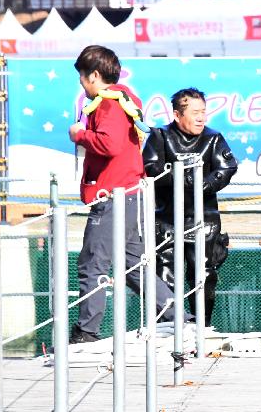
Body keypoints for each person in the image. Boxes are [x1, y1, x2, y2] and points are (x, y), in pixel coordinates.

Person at [68, 45, 184, 344]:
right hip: (129, 194)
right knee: (133, 265)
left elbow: (110, 145)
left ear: (94, 75)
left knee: (92, 264)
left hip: (114, 198)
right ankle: (180, 318)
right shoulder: (122, 100)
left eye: (83, 77)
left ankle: (86, 332)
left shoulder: (107, 105)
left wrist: (79, 134)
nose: (81, 83)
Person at [142, 88, 237, 326]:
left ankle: (201, 327)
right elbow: (150, 168)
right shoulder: (160, 136)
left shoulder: (213, 138)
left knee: (204, 274)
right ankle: (167, 327)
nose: (201, 118)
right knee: (164, 275)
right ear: (177, 115)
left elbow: (227, 167)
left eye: (203, 112)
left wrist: (203, 184)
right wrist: (184, 177)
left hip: (204, 219)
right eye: (195, 113)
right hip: (166, 219)